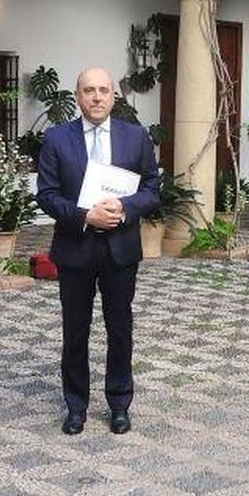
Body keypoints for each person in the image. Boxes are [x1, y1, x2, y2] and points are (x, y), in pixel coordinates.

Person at [36, 67, 160, 435]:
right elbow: (46, 195)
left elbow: (152, 189)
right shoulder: (57, 139)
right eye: (89, 90)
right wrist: (85, 215)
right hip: (75, 249)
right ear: (78, 96)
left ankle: (119, 403)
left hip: (120, 251)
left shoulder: (136, 137)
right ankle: (76, 406)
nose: (96, 97)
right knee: (75, 330)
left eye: (104, 90)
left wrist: (123, 210)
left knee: (120, 328)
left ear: (113, 96)